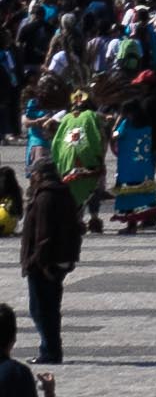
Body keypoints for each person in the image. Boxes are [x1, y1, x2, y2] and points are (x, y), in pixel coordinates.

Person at [17, 131, 78, 367]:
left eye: (33, 174)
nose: (31, 178)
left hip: (45, 264)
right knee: (50, 308)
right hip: (59, 261)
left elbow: (43, 235)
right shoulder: (63, 194)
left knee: (41, 309)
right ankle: (51, 348)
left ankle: (49, 350)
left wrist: (35, 262)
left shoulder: (45, 198)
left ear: (40, 175)